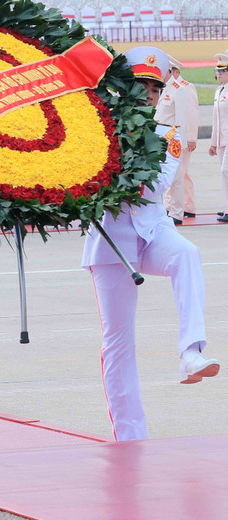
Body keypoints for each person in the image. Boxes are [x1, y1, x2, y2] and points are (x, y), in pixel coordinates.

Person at [83, 47, 219, 442]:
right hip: (113, 238)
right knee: (118, 341)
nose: (147, 94)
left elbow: (154, 185)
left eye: (154, 89)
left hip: (153, 228)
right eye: (139, 85)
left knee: (188, 254)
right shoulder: (95, 133)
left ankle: (190, 352)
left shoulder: (168, 136)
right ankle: (129, 434)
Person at [157, 57, 199, 224]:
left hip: (173, 140)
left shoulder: (178, 89)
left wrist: (182, 142)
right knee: (167, 178)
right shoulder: (163, 89)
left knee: (177, 178)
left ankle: (177, 213)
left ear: (168, 71)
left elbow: (181, 118)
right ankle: (171, 209)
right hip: (162, 140)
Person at [211, 53, 228, 222]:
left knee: (226, 171)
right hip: (222, 139)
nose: (219, 73)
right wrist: (213, 143)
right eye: (218, 70)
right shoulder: (219, 90)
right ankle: (227, 209)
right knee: (224, 174)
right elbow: (216, 120)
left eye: (223, 70)